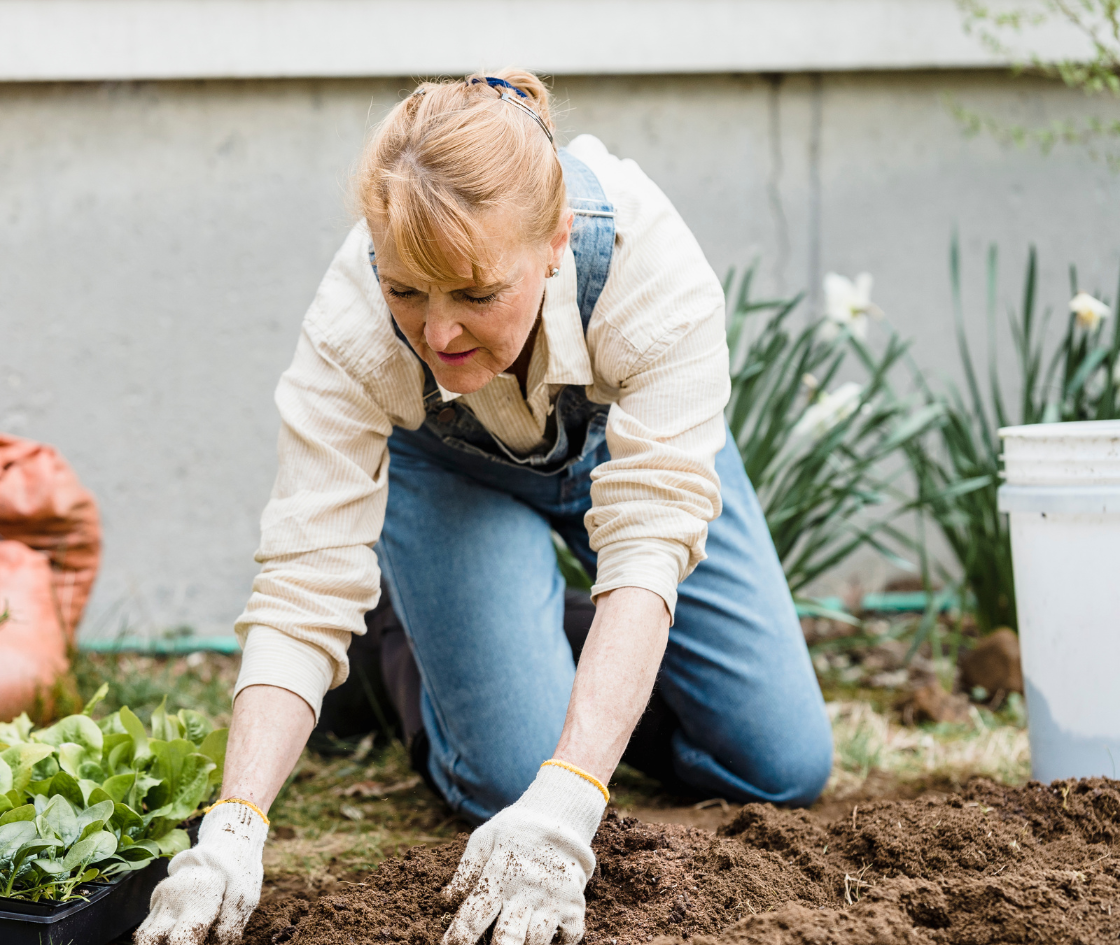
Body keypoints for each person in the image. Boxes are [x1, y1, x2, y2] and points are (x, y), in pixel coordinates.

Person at [136, 70, 832, 945]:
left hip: (629, 456)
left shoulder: (650, 271)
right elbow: (304, 583)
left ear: (553, 241)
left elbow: (649, 543)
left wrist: (574, 794)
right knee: (510, 776)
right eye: (406, 291)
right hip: (452, 472)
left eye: (474, 293)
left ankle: (500, 626)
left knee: (780, 766)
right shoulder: (351, 326)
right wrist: (232, 829)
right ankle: (406, 645)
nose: (438, 334)